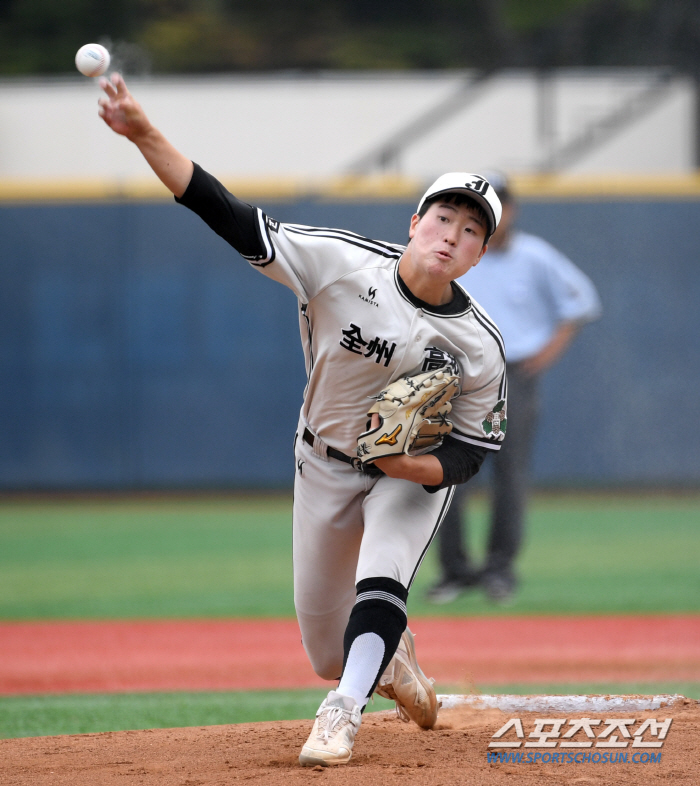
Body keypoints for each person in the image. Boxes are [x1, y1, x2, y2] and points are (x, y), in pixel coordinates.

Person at [97, 74, 507, 766]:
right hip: (320, 461)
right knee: (326, 648)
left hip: (410, 475)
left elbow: (470, 452)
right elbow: (225, 213)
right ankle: (388, 656)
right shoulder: (340, 263)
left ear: (479, 253)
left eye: (471, 231)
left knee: (382, 575)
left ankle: (342, 712)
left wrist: (406, 466)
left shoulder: (478, 345)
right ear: (415, 221)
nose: (452, 235)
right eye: (443, 218)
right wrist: (143, 134)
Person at [426, 172, 602, 605]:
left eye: (502, 204)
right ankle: (454, 571)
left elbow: (582, 303)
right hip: (456, 375)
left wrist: (544, 355)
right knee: (445, 473)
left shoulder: (534, 255)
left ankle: (499, 570)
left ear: (513, 210)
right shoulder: (461, 251)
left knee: (509, 476)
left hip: (511, 375)